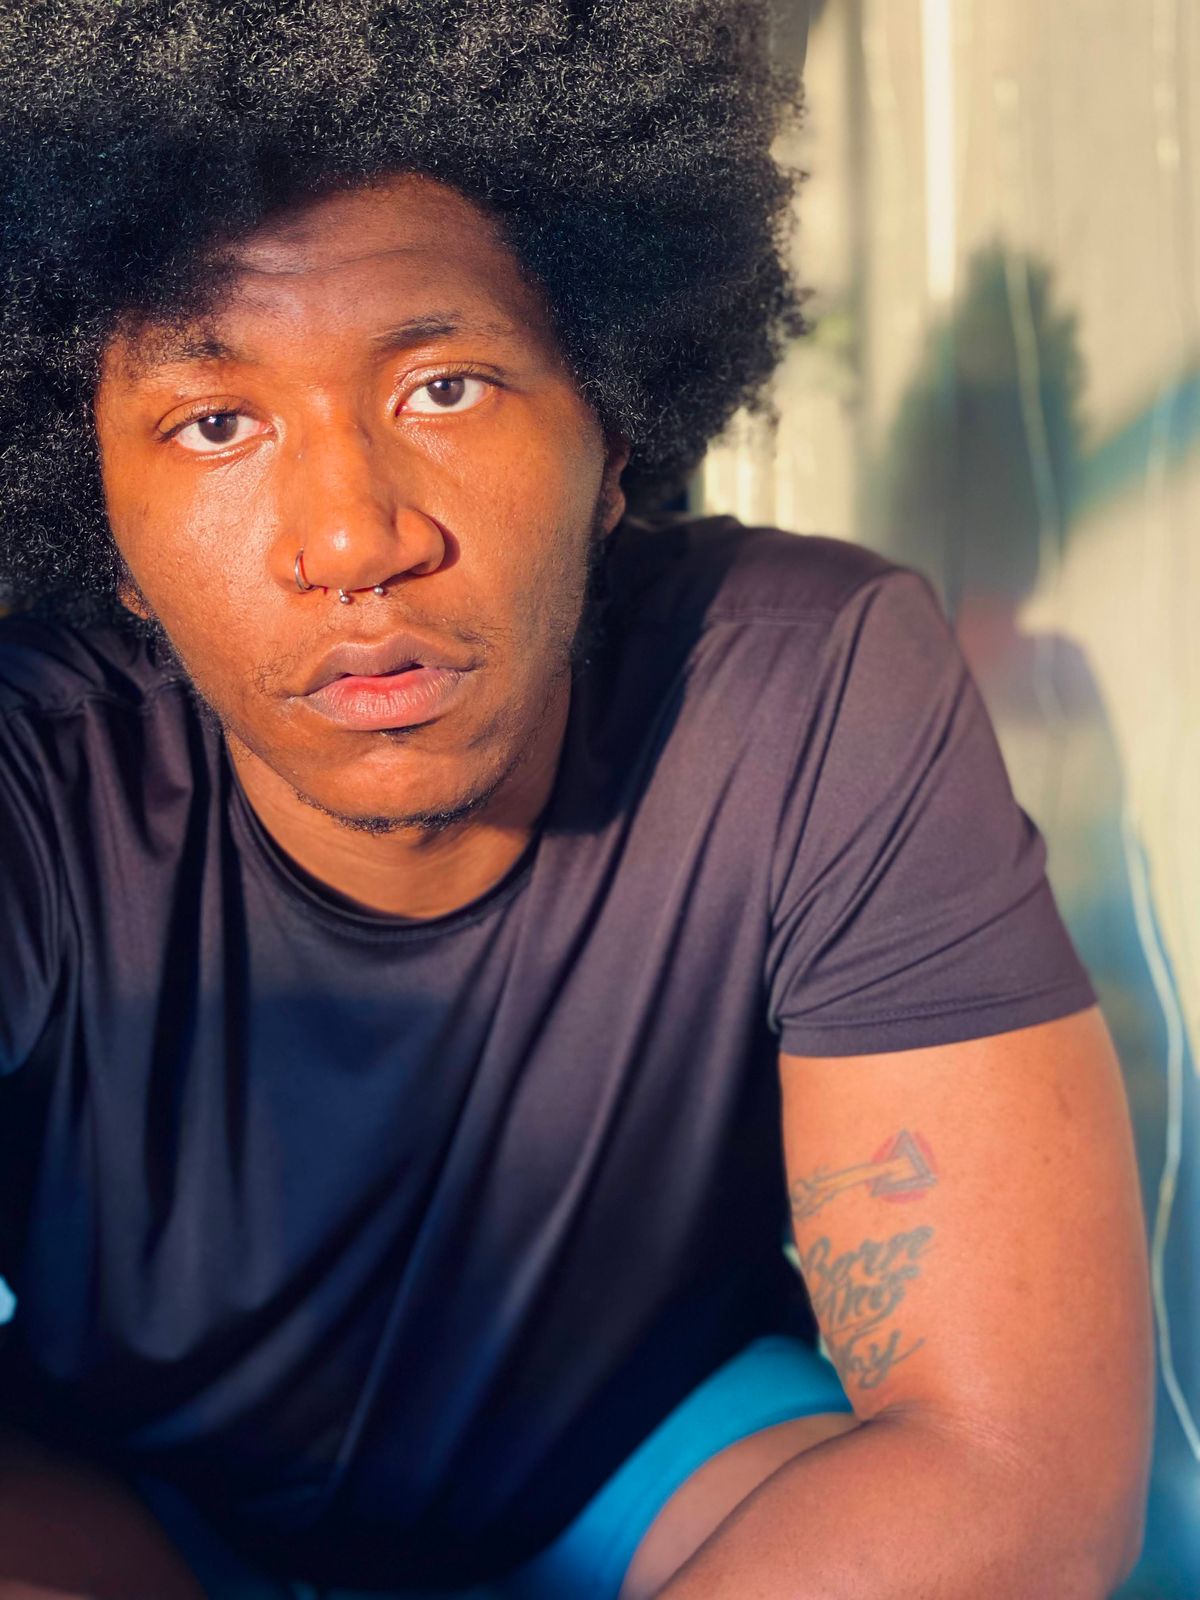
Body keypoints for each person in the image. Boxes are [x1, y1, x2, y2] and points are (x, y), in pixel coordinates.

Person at [0, 2, 1152, 1597]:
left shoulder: (807, 681)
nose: (355, 538)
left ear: (614, 432)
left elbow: (1011, 1465)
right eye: (215, 424)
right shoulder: (32, 764)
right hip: (133, 1503)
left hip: (638, 1464)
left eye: (447, 387)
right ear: (100, 522)